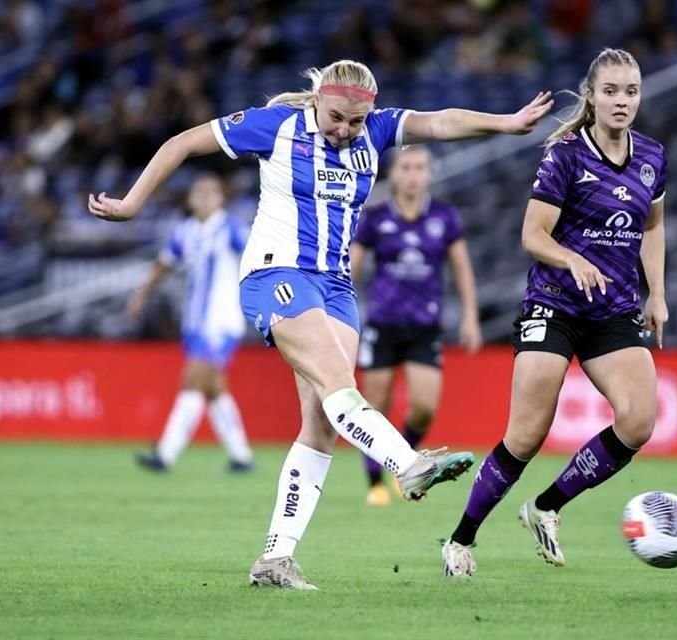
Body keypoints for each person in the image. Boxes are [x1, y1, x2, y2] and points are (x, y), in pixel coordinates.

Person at [88, 59, 553, 590]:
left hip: (335, 288)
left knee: (323, 423)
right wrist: (131, 203)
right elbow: (183, 143)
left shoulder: (374, 130)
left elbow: (439, 122)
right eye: (336, 118)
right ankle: (406, 462)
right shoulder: (277, 126)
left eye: (355, 123)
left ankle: (274, 559)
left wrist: (505, 122)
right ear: (316, 102)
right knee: (339, 382)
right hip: (277, 275)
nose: (344, 130)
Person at [440, 48, 669, 578]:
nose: (621, 101)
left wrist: (656, 292)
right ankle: (461, 539)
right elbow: (532, 236)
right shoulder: (565, 153)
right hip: (555, 303)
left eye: (630, 91)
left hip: (612, 308)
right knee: (525, 435)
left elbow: (652, 227)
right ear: (591, 95)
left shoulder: (653, 156)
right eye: (610, 91)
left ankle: (546, 507)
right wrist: (574, 259)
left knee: (638, 422)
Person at [350, 145, 482, 507]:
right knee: (375, 406)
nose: (412, 174)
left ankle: (404, 462)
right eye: (405, 167)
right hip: (382, 323)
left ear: (429, 173)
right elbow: (351, 270)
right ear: (393, 174)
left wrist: (470, 314)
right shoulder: (375, 218)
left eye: (419, 167)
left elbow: (461, 269)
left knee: (424, 407)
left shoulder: (444, 217)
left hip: (424, 325)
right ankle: (374, 482)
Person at [127, 173, 254, 473]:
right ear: (190, 199)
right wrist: (142, 295)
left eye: (211, 192)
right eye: (199, 192)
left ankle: (165, 454)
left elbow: (257, 257)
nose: (205, 197)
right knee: (213, 389)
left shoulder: (231, 229)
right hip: (194, 323)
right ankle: (241, 457)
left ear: (221, 198)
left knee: (193, 380)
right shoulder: (185, 231)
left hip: (222, 322)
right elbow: (164, 264)